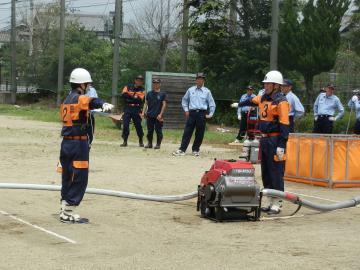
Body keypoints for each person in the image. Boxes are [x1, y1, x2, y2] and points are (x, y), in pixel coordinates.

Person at [59, 68, 114, 223]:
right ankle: (69, 211)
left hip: (66, 143)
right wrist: (103, 103)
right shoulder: (80, 98)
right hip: (78, 144)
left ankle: (64, 207)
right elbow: (91, 101)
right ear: (81, 84)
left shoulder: (66, 99)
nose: (88, 87)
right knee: (80, 177)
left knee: (68, 175)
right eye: (87, 85)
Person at [235, 70, 289, 215]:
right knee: (266, 171)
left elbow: (284, 124)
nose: (265, 86)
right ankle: (270, 201)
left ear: (275, 85)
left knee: (276, 171)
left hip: (275, 139)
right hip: (264, 139)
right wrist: (239, 104)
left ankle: (278, 203)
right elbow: (251, 101)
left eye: (268, 83)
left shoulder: (281, 101)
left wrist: (282, 145)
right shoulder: (263, 97)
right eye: (264, 83)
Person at [172, 73, 216, 156]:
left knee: (200, 132)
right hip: (191, 113)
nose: (200, 80)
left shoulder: (207, 91)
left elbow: (212, 103)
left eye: (201, 79)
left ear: (203, 80)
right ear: (196, 80)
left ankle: (195, 150)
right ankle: (182, 149)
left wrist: (210, 114)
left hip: (202, 113)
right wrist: (186, 110)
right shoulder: (190, 90)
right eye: (198, 79)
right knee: (187, 131)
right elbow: (184, 100)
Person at [120, 75, 145, 147]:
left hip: (136, 109)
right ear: (135, 80)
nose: (139, 82)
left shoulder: (142, 89)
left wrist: (129, 96)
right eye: (138, 80)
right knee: (125, 125)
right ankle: (125, 141)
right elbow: (123, 95)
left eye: (141, 80)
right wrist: (134, 97)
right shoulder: (128, 86)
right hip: (127, 108)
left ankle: (141, 140)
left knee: (138, 125)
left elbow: (140, 100)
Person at [142, 78, 167, 149]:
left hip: (158, 116)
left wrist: (161, 114)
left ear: (160, 84)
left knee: (158, 130)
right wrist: (143, 112)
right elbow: (145, 103)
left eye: (157, 83)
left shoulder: (162, 94)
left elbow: (164, 104)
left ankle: (158, 144)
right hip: (150, 115)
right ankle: (149, 143)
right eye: (154, 83)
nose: (155, 84)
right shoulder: (149, 93)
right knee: (150, 131)